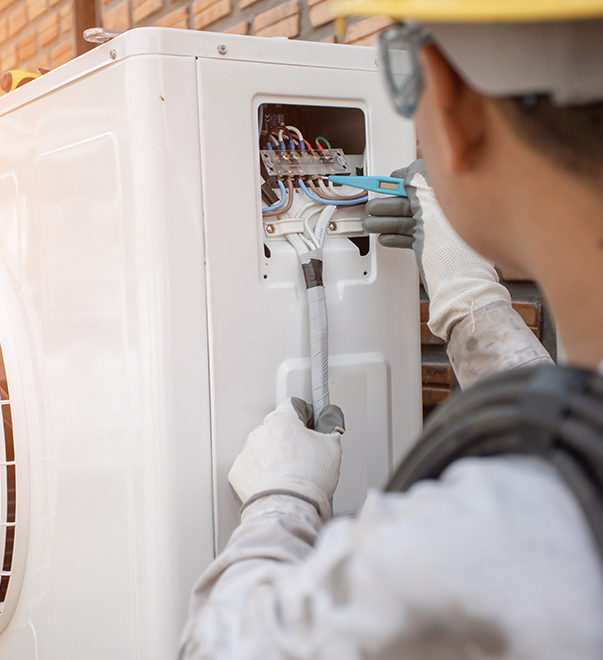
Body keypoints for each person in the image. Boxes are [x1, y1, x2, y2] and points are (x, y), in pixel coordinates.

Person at [179, 2, 603, 658]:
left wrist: (279, 502)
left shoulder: (476, 552)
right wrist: (473, 312)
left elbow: (217, 645)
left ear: (454, 107)